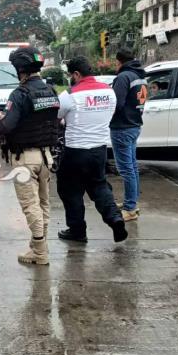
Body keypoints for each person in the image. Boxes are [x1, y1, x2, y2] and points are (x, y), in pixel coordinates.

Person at [0, 46, 60, 265]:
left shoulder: (20, 94)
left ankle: (40, 253)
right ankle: (37, 247)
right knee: (43, 204)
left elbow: (7, 126)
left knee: (30, 206)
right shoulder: (51, 91)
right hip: (46, 157)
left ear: (19, 69)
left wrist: (0, 118)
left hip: (25, 159)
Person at [56, 57, 127, 244]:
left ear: (76, 74)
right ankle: (115, 218)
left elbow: (57, 117)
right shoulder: (109, 92)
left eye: (71, 75)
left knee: (70, 191)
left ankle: (77, 231)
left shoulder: (69, 95)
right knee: (99, 186)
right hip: (99, 150)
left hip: (75, 151)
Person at [110, 47, 148, 222]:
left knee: (126, 170)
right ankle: (131, 203)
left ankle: (130, 208)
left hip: (122, 127)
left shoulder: (123, 77)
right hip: (134, 125)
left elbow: (115, 104)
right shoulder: (140, 77)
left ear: (119, 61)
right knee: (132, 167)